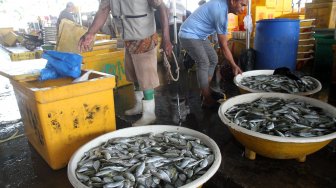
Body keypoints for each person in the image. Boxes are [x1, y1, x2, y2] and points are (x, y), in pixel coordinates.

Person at [79, 0, 173, 126]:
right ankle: (140, 105)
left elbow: (162, 8)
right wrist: (90, 33)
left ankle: (150, 113)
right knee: (133, 73)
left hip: (144, 36)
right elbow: (103, 10)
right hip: (127, 37)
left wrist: (166, 38)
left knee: (146, 77)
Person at [179, 0, 246, 108]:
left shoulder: (222, 7)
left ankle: (205, 90)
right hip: (189, 34)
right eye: (242, 5)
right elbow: (224, 46)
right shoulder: (221, 12)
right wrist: (234, 65)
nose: (243, 9)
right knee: (203, 62)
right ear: (233, 2)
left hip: (200, 36)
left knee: (213, 58)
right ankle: (207, 99)